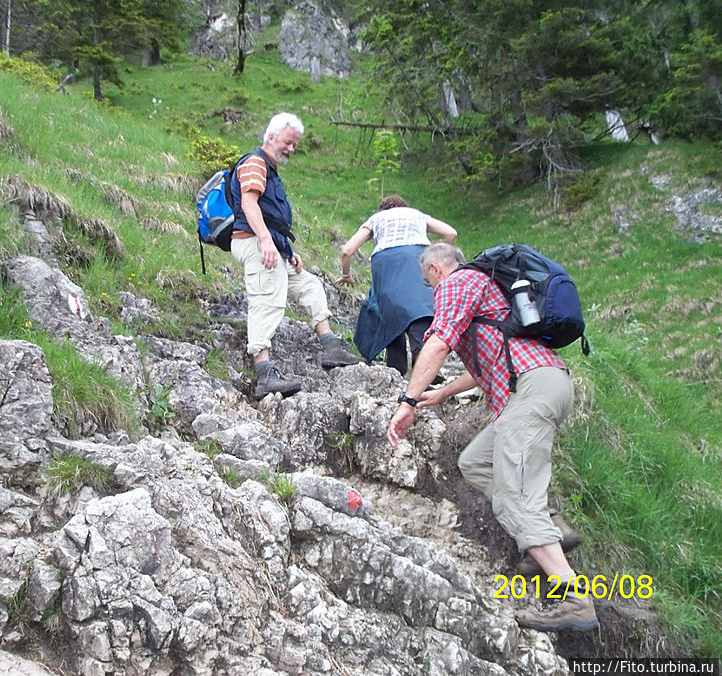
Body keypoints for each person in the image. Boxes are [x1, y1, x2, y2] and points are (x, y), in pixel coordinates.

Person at [386, 243, 598, 633]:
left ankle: (574, 598)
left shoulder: (458, 283)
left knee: (514, 497)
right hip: (546, 382)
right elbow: (487, 357)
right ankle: (551, 527)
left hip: (530, 390)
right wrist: (444, 392)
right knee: (476, 462)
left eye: (427, 283)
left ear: (435, 269)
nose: (430, 290)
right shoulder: (490, 290)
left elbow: (437, 342)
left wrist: (408, 401)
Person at [229, 112, 359, 400]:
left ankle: (331, 346)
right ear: (271, 137)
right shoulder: (254, 163)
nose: (291, 148)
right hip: (252, 240)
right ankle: (264, 373)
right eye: (288, 142)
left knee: (309, 284)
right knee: (267, 295)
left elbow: (272, 216)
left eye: (295, 145)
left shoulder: (270, 169)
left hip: (271, 243)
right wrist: (264, 240)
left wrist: (287, 251)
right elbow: (249, 203)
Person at [337, 195, 457, 375]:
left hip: (386, 263)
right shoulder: (417, 215)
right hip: (418, 258)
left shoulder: (376, 219)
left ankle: (396, 367)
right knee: (420, 310)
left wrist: (346, 274)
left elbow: (347, 250)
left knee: (391, 312)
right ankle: (425, 364)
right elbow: (451, 233)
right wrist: (438, 257)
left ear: (382, 208)